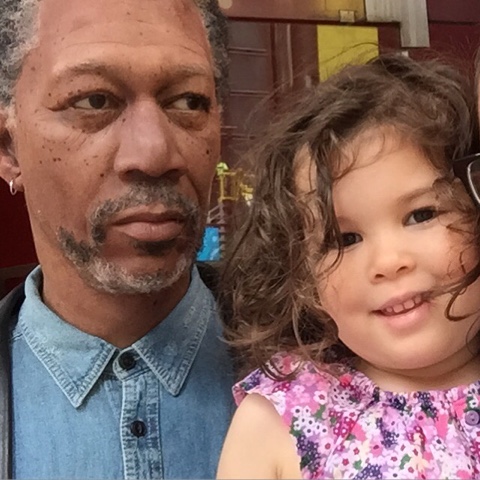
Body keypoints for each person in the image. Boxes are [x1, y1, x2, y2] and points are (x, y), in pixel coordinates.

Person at [0, 0, 234, 478]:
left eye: (188, 101)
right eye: (94, 101)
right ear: (8, 147)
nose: (153, 154)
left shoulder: (340, 369)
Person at [217, 54, 480, 479]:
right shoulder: (279, 422)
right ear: (302, 280)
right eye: (345, 240)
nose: (388, 263)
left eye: (421, 215)